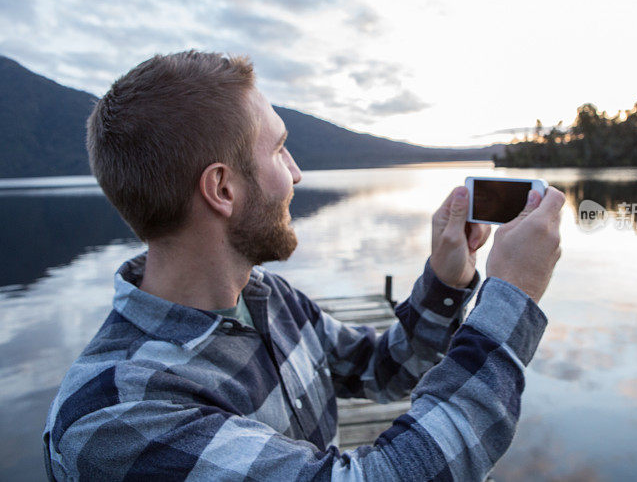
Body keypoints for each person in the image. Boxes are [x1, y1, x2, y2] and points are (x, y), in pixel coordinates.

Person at [42, 51, 564, 481]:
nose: (298, 173)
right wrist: (510, 297)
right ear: (223, 189)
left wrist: (448, 280)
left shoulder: (269, 299)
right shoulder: (118, 416)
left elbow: (383, 369)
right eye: (281, 150)